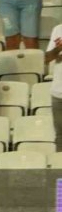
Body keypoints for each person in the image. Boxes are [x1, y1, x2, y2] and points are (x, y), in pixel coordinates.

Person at [45, 21, 62, 150]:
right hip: (58, 92)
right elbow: (47, 58)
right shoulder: (58, 29)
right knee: (60, 136)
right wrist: (58, 48)